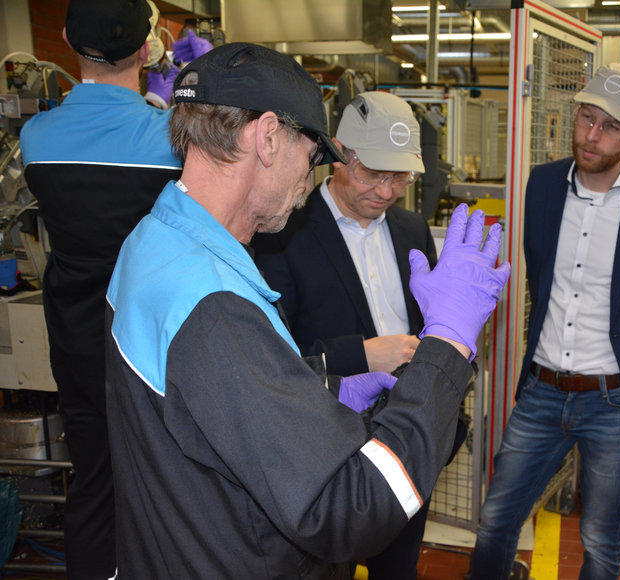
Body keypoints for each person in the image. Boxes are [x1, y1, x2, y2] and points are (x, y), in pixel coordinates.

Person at [104, 42, 510, 578]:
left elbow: (209, 410)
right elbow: (352, 510)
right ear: (268, 136)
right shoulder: (214, 307)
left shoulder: (153, 244)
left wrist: (320, 387)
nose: (311, 175)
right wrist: (449, 344)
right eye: (314, 154)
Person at [467, 62, 620, 579]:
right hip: (543, 391)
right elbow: (540, 275)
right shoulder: (544, 185)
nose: (592, 135)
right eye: (586, 118)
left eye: (611, 126)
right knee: (495, 521)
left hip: (615, 402)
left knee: (601, 539)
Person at [253, 90, 448, 579]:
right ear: (338, 154)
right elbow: (269, 354)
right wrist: (361, 355)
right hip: (325, 442)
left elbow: (428, 326)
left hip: (401, 434)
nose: (385, 191)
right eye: (372, 173)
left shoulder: (412, 230)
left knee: (398, 565)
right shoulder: (284, 234)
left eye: (399, 177)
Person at [19, 1, 182, 577]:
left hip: (79, 343)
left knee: (93, 482)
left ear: (64, 38)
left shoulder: (37, 137)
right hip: (152, 346)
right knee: (165, 490)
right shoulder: (169, 138)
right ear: (148, 49)